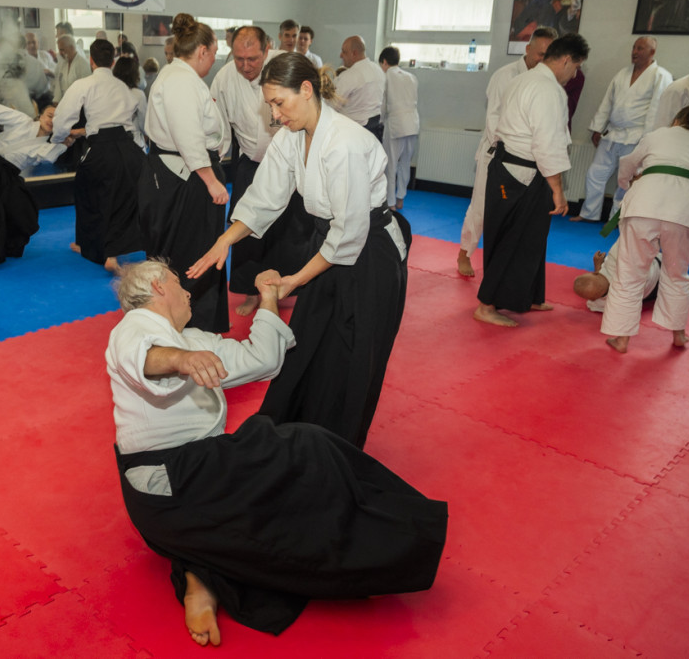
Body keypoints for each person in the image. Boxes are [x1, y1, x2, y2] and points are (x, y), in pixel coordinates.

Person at [107, 259, 447, 646]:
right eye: (178, 283)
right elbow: (145, 359)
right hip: (167, 480)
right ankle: (383, 548)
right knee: (304, 448)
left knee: (273, 499)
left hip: (189, 498)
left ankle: (200, 577)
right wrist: (181, 361)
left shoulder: (198, 340)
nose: (188, 292)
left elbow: (262, 359)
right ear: (157, 287)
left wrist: (268, 298)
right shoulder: (133, 328)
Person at [189, 52, 411, 450]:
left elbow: (350, 233)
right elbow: (265, 196)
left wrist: (294, 280)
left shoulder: (342, 143)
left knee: (350, 355)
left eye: (279, 102)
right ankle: (299, 435)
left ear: (306, 90)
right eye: (269, 105)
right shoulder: (292, 137)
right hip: (325, 247)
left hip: (370, 253)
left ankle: (338, 446)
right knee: (307, 343)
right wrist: (226, 238)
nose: (274, 115)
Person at [473, 33, 590, 328]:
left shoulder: (524, 80)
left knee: (533, 237)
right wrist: (558, 191)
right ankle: (487, 306)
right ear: (566, 60)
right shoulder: (547, 90)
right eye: (575, 67)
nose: (574, 74)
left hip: (513, 168)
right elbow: (547, 144)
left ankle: (528, 297)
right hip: (521, 173)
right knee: (513, 239)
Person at [138, 13, 231, 333]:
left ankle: (183, 322)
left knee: (184, 250)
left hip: (181, 172)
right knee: (192, 251)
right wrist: (212, 181)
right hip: (187, 177)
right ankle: (189, 325)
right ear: (202, 50)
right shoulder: (180, 80)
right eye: (215, 52)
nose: (214, 59)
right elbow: (188, 136)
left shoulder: (180, 76)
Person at [211, 26, 313, 317]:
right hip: (250, 162)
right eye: (239, 58)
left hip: (292, 164)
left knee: (294, 230)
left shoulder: (287, 68)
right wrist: (215, 166)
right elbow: (218, 125)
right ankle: (252, 293)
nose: (245, 65)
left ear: (267, 49)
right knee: (248, 230)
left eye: (253, 58)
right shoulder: (224, 77)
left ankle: (291, 286)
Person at [601, 104, 689, 354]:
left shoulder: (656, 135)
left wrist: (627, 183)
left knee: (630, 273)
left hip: (645, 204)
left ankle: (622, 339)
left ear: (677, 119)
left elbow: (628, 164)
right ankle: (679, 335)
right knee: (677, 273)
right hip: (685, 210)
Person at [457, 27, 556, 277]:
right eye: (539, 54)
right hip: (497, 152)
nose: (542, 60)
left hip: (526, 160)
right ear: (528, 49)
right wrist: (509, 151)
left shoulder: (547, 82)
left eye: (548, 55)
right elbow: (494, 119)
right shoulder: (506, 75)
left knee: (514, 215)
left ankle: (504, 265)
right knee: (480, 207)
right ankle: (464, 253)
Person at [52, 40, 143, 273]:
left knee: (89, 195)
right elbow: (130, 119)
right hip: (129, 148)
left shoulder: (85, 84)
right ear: (112, 61)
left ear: (91, 60)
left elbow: (63, 117)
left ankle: (97, 250)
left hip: (101, 148)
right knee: (122, 198)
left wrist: (59, 138)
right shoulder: (123, 86)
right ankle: (110, 250)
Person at [0, 98, 72, 269]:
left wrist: (64, 144)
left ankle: (9, 245)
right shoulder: (22, 121)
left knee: (24, 209)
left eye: (57, 120)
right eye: (49, 115)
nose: (51, 121)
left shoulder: (47, 144)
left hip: (9, 174)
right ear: (40, 115)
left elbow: (47, 157)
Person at [572, 37, 672, 223]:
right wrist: (597, 128)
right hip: (613, 133)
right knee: (595, 173)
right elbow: (607, 102)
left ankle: (617, 220)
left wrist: (648, 140)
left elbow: (656, 109)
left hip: (637, 136)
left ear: (652, 53)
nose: (635, 51)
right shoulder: (622, 74)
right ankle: (589, 213)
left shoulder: (661, 76)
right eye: (634, 47)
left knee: (625, 182)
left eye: (640, 48)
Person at [379, 46, 419, 211]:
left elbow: (382, 103)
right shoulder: (411, 77)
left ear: (385, 62)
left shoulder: (386, 76)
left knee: (391, 165)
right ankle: (400, 198)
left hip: (396, 123)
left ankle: (390, 203)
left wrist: (380, 121)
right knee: (405, 163)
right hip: (413, 123)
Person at [573, 239, 660, 313]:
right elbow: (629, 234)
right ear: (595, 273)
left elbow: (597, 294)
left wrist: (598, 267)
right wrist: (598, 266)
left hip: (651, 293)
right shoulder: (617, 261)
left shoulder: (598, 304)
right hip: (660, 270)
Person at [331, 35, 385, 141]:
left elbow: (332, 105)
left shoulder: (351, 75)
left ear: (354, 53)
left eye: (344, 52)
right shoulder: (378, 70)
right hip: (373, 132)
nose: (341, 55)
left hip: (354, 133)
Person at [113, 57, 148, 149]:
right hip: (134, 143)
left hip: (113, 143)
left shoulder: (110, 93)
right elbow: (144, 124)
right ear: (135, 74)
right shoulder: (138, 95)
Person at [52, 34, 91, 103]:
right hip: (63, 103)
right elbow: (58, 87)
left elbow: (86, 90)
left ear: (72, 48)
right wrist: (55, 102)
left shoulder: (82, 64)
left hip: (78, 104)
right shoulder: (63, 63)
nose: (60, 53)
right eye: (59, 50)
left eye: (62, 50)